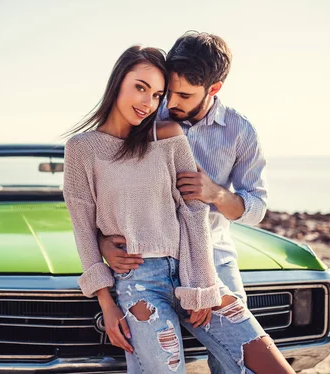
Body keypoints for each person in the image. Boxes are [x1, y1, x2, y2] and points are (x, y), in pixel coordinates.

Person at [63, 45, 293, 373]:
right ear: (117, 82)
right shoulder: (82, 148)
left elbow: (194, 211)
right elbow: (82, 222)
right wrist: (105, 297)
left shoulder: (171, 133)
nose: (154, 102)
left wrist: (201, 283)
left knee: (268, 365)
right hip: (139, 279)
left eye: (157, 94)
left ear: (212, 89)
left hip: (202, 267)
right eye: (143, 89)